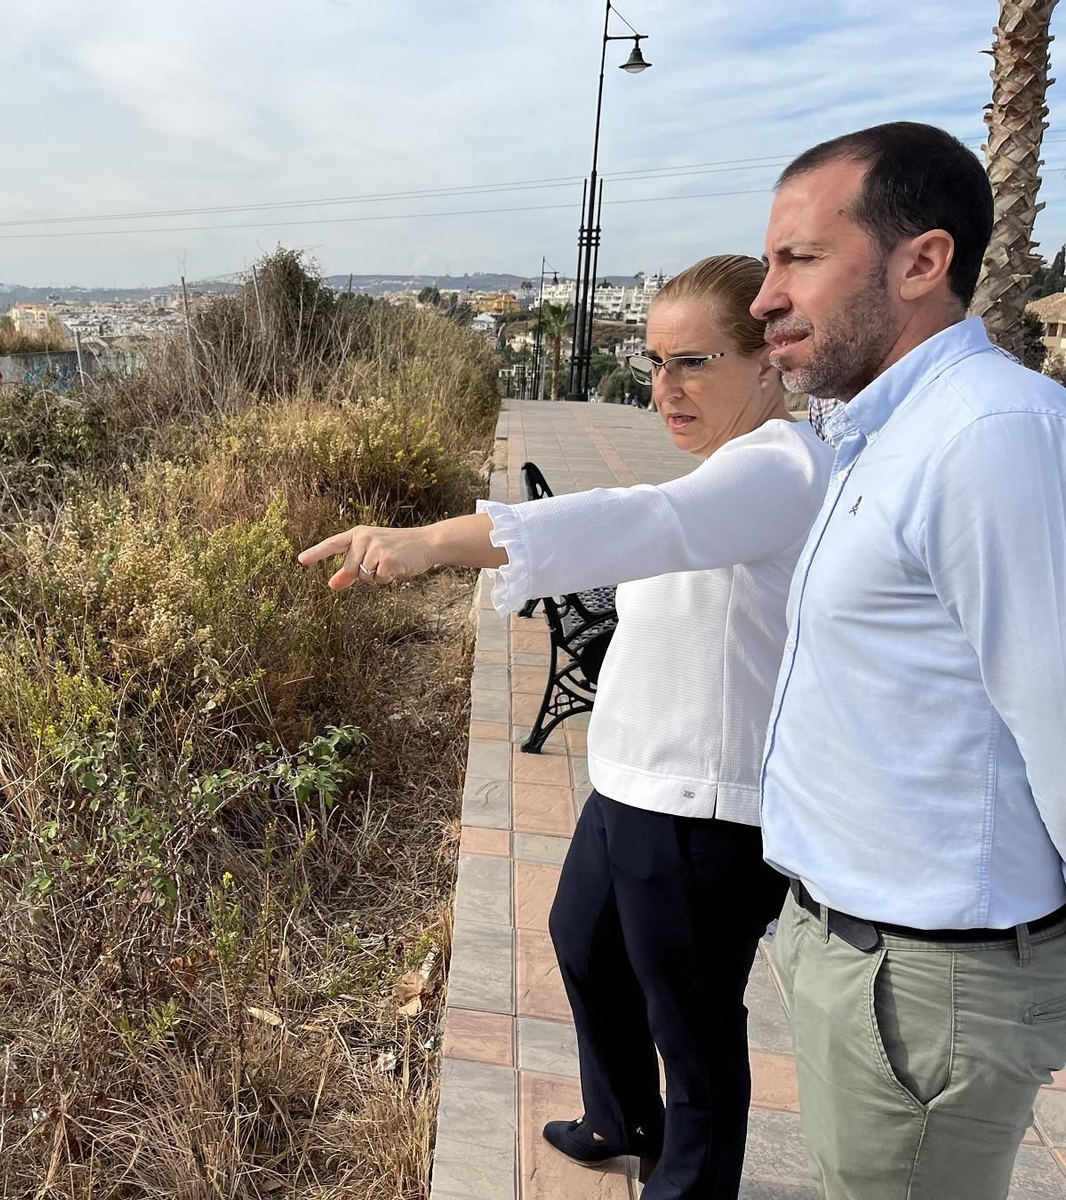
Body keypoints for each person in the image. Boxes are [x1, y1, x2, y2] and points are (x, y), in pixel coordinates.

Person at [298, 254, 832, 1199]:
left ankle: (686, 1186)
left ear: (766, 365)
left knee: (695, 1029)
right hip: (634, 776)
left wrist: (432, 544)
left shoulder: (777, 469)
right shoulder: (730, 466)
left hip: (704, 805)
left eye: (694, 362)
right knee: (583, 940)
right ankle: (620, 1114)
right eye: (655, 360)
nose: (665, 387)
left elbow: (640, 518)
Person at [753, 121, 1066, 1199]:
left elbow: (1061, 717)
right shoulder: (884, 429)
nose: (764, 295)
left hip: (927, 981)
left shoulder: (989, 436)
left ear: (921, 262)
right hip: (859, 951)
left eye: (799, 258)